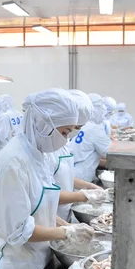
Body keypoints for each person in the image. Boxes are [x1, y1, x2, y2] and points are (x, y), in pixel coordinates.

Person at [0, 89, 95, 269]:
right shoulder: (13, 161)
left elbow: (44, 205)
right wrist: (65, 235)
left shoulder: (40, 156)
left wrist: (67, 225)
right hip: (19, 266)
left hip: (40, 259)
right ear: (43, 124)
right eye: (65, 131)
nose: (67, 138)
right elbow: (18, 229)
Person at [48, 90, 107, 223]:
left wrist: (88, 187)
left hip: (62, 213)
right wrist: (83, 196)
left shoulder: (64, 143)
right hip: (50, 217)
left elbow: (65, 176)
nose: (76, 131)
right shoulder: (47, 150)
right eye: (72, 128)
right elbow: (45, 195)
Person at [71, 93, 112, 182]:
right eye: (100, 108)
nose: (102, 111)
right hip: (81, 175)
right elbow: (110, 152)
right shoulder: (94, 129)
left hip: (69, 171)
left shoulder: (75, 125)